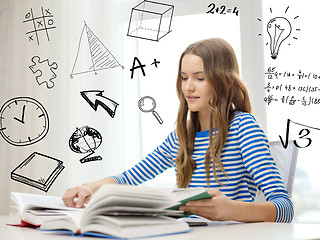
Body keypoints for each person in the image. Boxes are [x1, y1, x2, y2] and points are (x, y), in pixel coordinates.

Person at [63, 38, 294, 223]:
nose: (188, 87)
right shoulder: (182, 136)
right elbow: (130, 177)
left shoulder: (243, 128)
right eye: (184, 78)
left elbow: (284, 208)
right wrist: (88, 188)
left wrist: (231, 210)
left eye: (200, 78)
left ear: (225, 81)